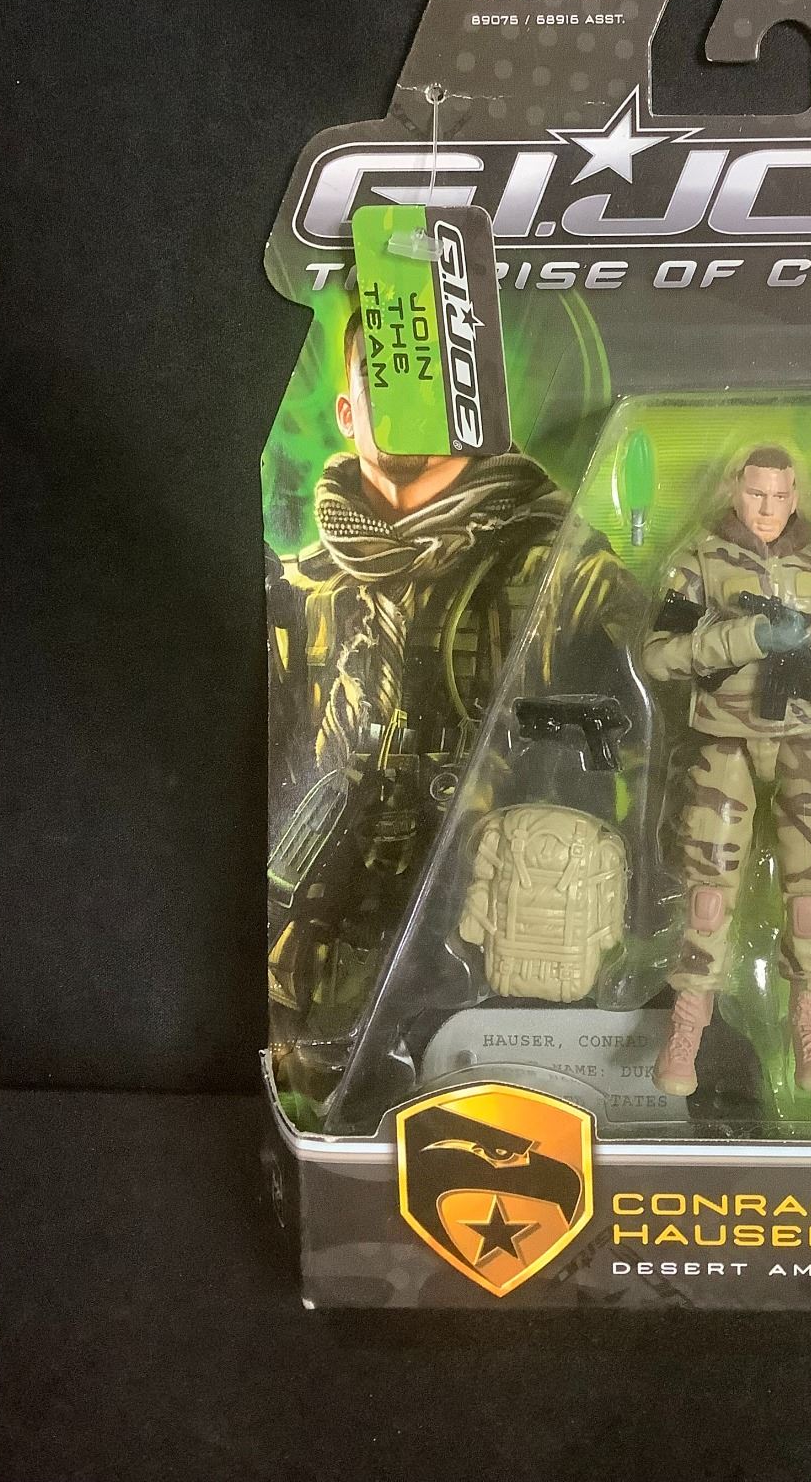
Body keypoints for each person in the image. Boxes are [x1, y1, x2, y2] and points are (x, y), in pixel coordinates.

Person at [267, 310, 625, 1068]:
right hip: (328, 929)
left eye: (425, 383)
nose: (402, 406)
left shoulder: (566, 575)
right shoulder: (301, 590)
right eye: (383, 381)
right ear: (347, 412)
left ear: (470, 409)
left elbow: (645, 756)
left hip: (506, 928)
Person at [642, 446, 811, 1098]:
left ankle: (810, 1028)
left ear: (795, 496)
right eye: (756, 493)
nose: (767, 507)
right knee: (707, 897)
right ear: (735, 490)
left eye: (779, 495)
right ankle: (687, 1030)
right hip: (723, 739)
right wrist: (750, 638)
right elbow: (661, 656)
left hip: (803, 737)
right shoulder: (700, 560)